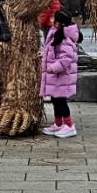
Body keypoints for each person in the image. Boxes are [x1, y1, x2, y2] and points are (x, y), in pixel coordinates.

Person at [40, 10, 80, 138]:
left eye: (54, 19)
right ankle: (58, 124)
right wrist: (43, 54)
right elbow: (52, 50)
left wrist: (53, 68)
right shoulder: (56, 32)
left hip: (62, 76)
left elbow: (66, 58)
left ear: (59, 23)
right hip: (56, 77)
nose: (51, 20)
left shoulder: (65, 37)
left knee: (61, 101)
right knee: (55, 99)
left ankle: (69, 126)